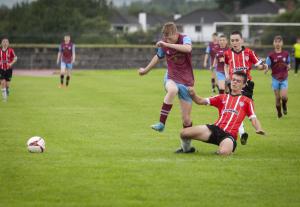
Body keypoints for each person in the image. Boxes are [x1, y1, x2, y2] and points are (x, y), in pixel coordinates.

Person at [138, 22, 195, 153]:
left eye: (169, 38)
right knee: (172, 90)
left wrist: (166, 44)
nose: (166, 40)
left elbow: (188, 49)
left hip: (187, 81)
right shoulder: (164, 43)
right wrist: (145, 70)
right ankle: (161, 124)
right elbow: (157, 57)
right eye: (165, 38)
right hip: (171, 77)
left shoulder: (184, 38)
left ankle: (186, 148)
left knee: (186, 119)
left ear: (176, 34)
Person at [180, 71, 265, 155]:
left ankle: (224, 149)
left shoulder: (247, 101)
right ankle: (187, 150)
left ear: (243, 85)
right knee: (184, 133)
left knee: (224, 152)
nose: (234, 82)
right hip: (215, 129)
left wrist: (258, 128)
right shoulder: (222, 97)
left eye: (238, 81)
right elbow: (200, 101)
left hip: (229, 135)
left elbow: (253, 118)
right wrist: (193, 94)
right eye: (233, 80)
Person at [224, 31, 268, 145]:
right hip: (233, 84)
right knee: (236, 108)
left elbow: (258, 65)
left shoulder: (249, 52)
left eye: (237, 40)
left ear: (242, 40)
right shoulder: (227, 53)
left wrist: (264, 66)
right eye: (232, 40)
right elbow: (226, 65)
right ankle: (243, 132)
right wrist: (227, 77)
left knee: (245, 108)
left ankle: (253, 128)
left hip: (246, 85)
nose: (234, 42)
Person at [265, 35, 290, 118]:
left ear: (282, 43)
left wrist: (289, 66)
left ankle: (284, 105)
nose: (277, 44)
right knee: (277, 98)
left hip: (284, 78)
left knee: (284, 97)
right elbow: (267, 64)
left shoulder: (286, 54)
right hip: (275, 78)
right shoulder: (271, 55)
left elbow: (288, 63)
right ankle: (279, 113)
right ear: (273, 43)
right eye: (276, 42)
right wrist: (266, 68)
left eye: (279, 42)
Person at [0, 37, 17, 102]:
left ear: (8, 43)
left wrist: (11, 63)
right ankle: (5, 99)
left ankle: (7, 89)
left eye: (6, 42)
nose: (5, 43)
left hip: (9, 69)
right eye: (3, 42)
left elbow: (15, 58)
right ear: (1, 43)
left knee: (7, 84)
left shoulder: (11, 50)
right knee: (3, 82)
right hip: (1, 69)